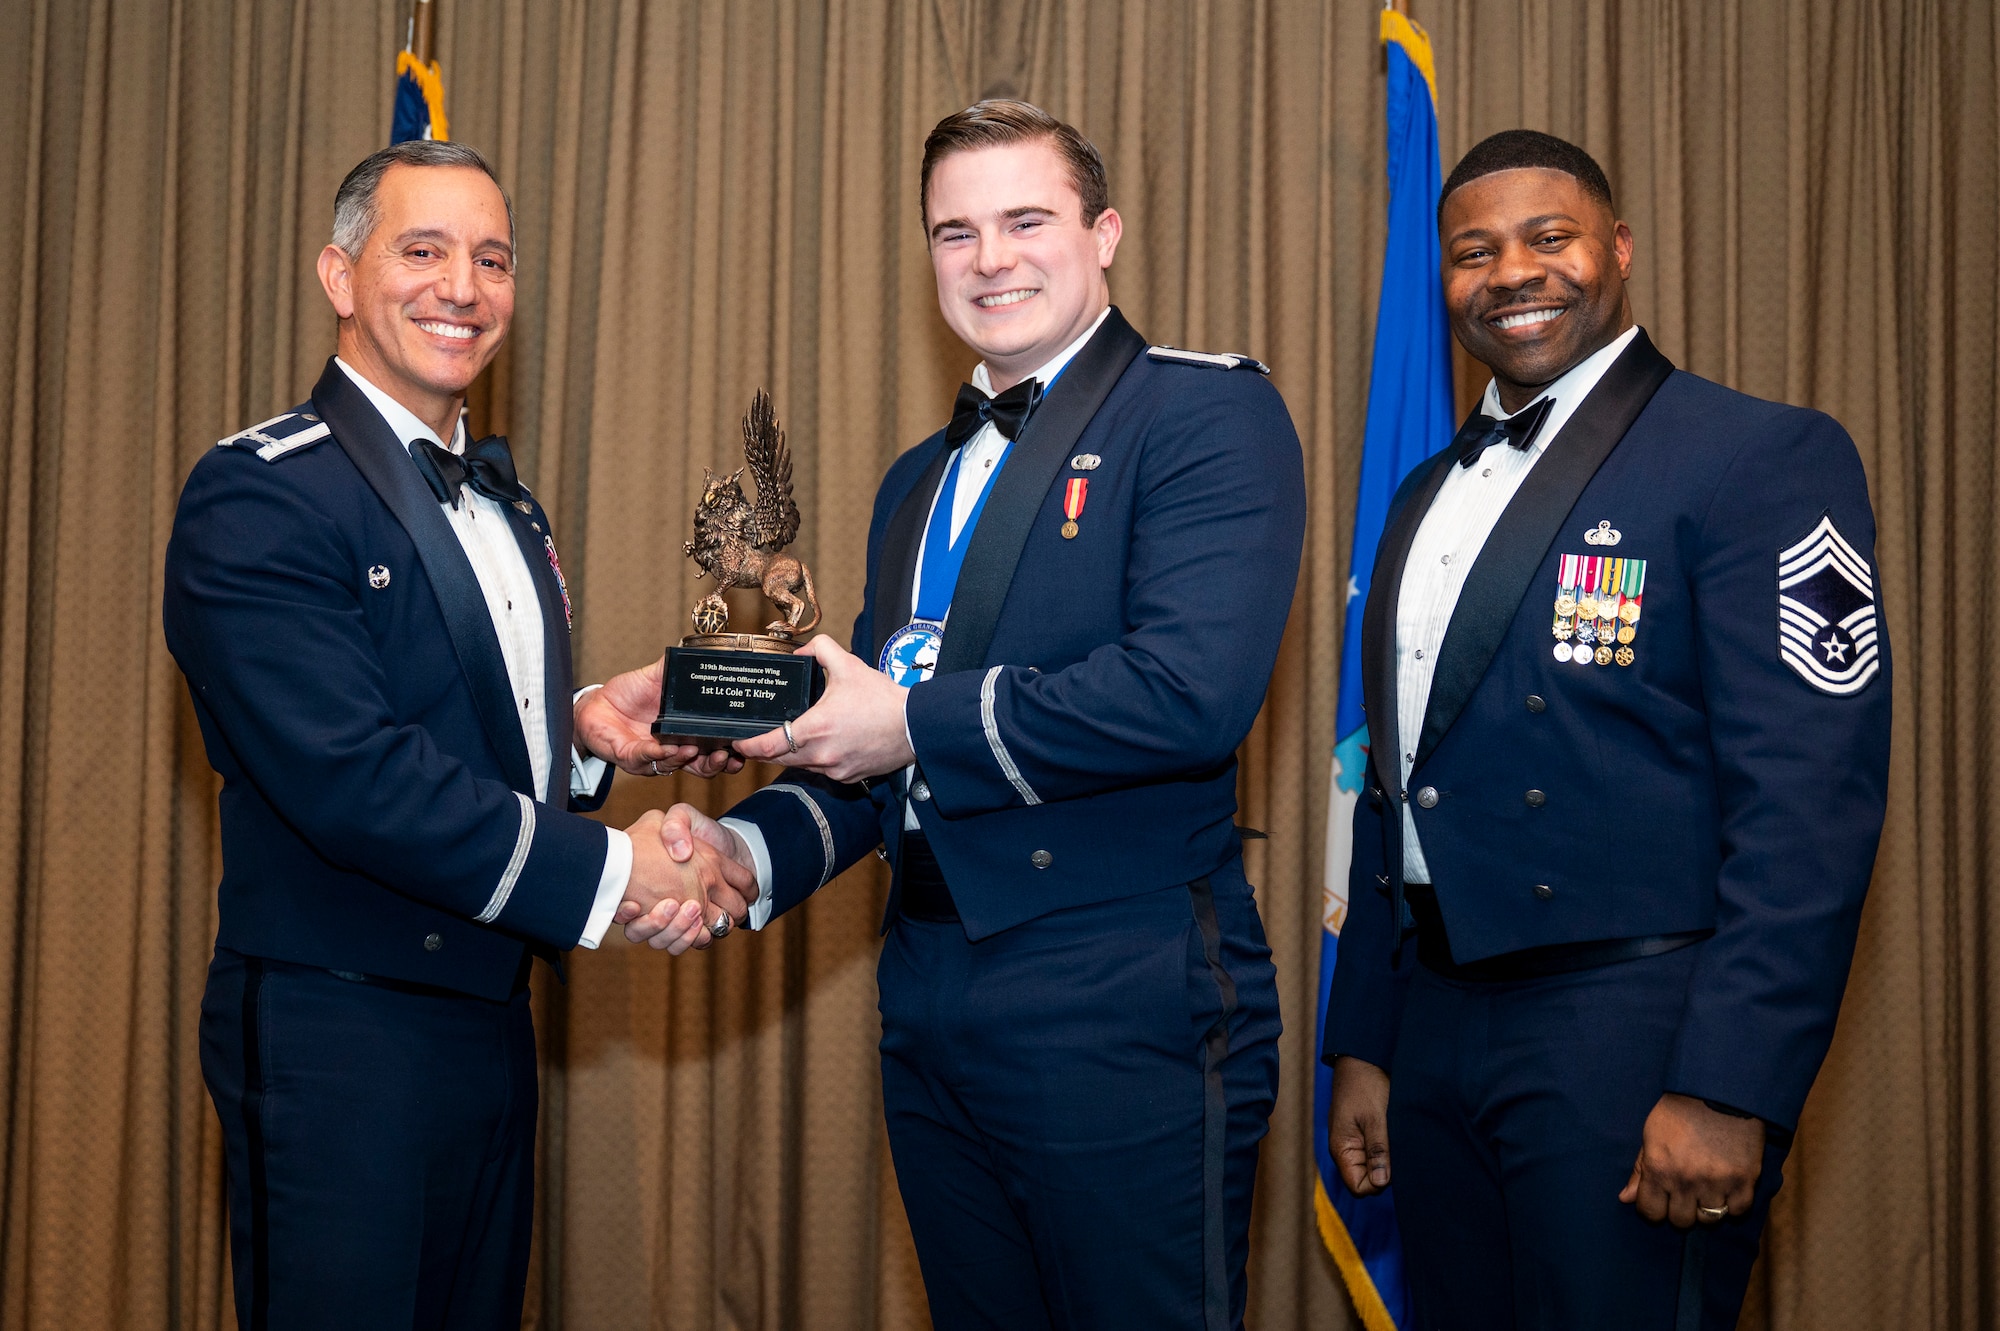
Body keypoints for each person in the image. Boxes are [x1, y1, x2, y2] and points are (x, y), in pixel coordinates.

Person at [626, 100, 1304, 1331]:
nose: (989, 257)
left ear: (1102, 234)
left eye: (1024, 219)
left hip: (1120, 992)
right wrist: (744, 853)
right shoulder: (911, 483)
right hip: (930, 991)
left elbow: (1186, 696)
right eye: (954, 231)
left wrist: (908, 726)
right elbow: (874, 752)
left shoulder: (1203, 416)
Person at [163, 140, 753, 1330]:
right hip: (341, 1024)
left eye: (492, 259)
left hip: (488, 1014)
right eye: (421, 251)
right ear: (339, 275)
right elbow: (351, 773)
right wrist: (617, 870)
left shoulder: (503, 499)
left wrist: (585, 737)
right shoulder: (264, 490)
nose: (463, 287)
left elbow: (451, 723)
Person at [1319, 129, 1892, 1329]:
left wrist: (1727, 1083)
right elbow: (1396, 785)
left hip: (1632, 1039)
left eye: (1547, 237)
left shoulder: (1758, 456)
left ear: (1616, 249)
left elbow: (1807, 806)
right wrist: (1366, 1042)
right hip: (1435, 1028)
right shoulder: (1424, 492)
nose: (1510, 273)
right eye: (1472, 252)